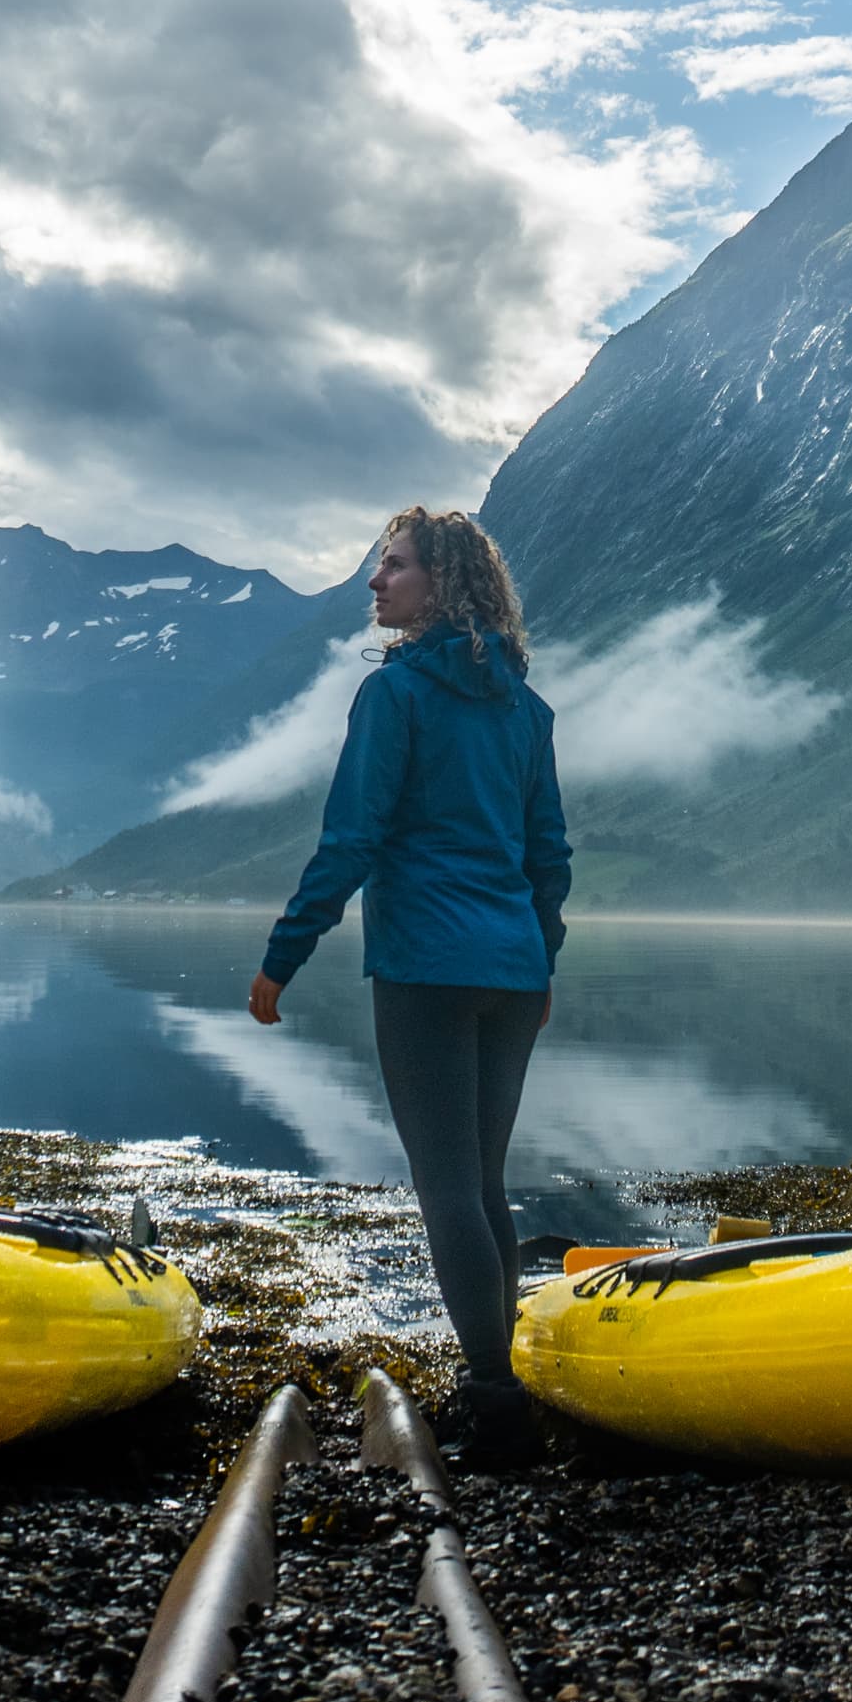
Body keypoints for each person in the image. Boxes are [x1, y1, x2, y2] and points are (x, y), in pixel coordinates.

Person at [247, 506, 569, 1459]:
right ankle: (500, 1373)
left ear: (441, 583)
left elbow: (353, 836)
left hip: (427, 966)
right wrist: (541, 959)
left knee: (446, 1187)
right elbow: (547, 854)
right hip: (510, 969)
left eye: (393, 567)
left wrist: (282, 955)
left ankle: (494, 1400)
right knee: (482, 1180)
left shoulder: (395, 698)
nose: (375, 584)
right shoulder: (525, 707)